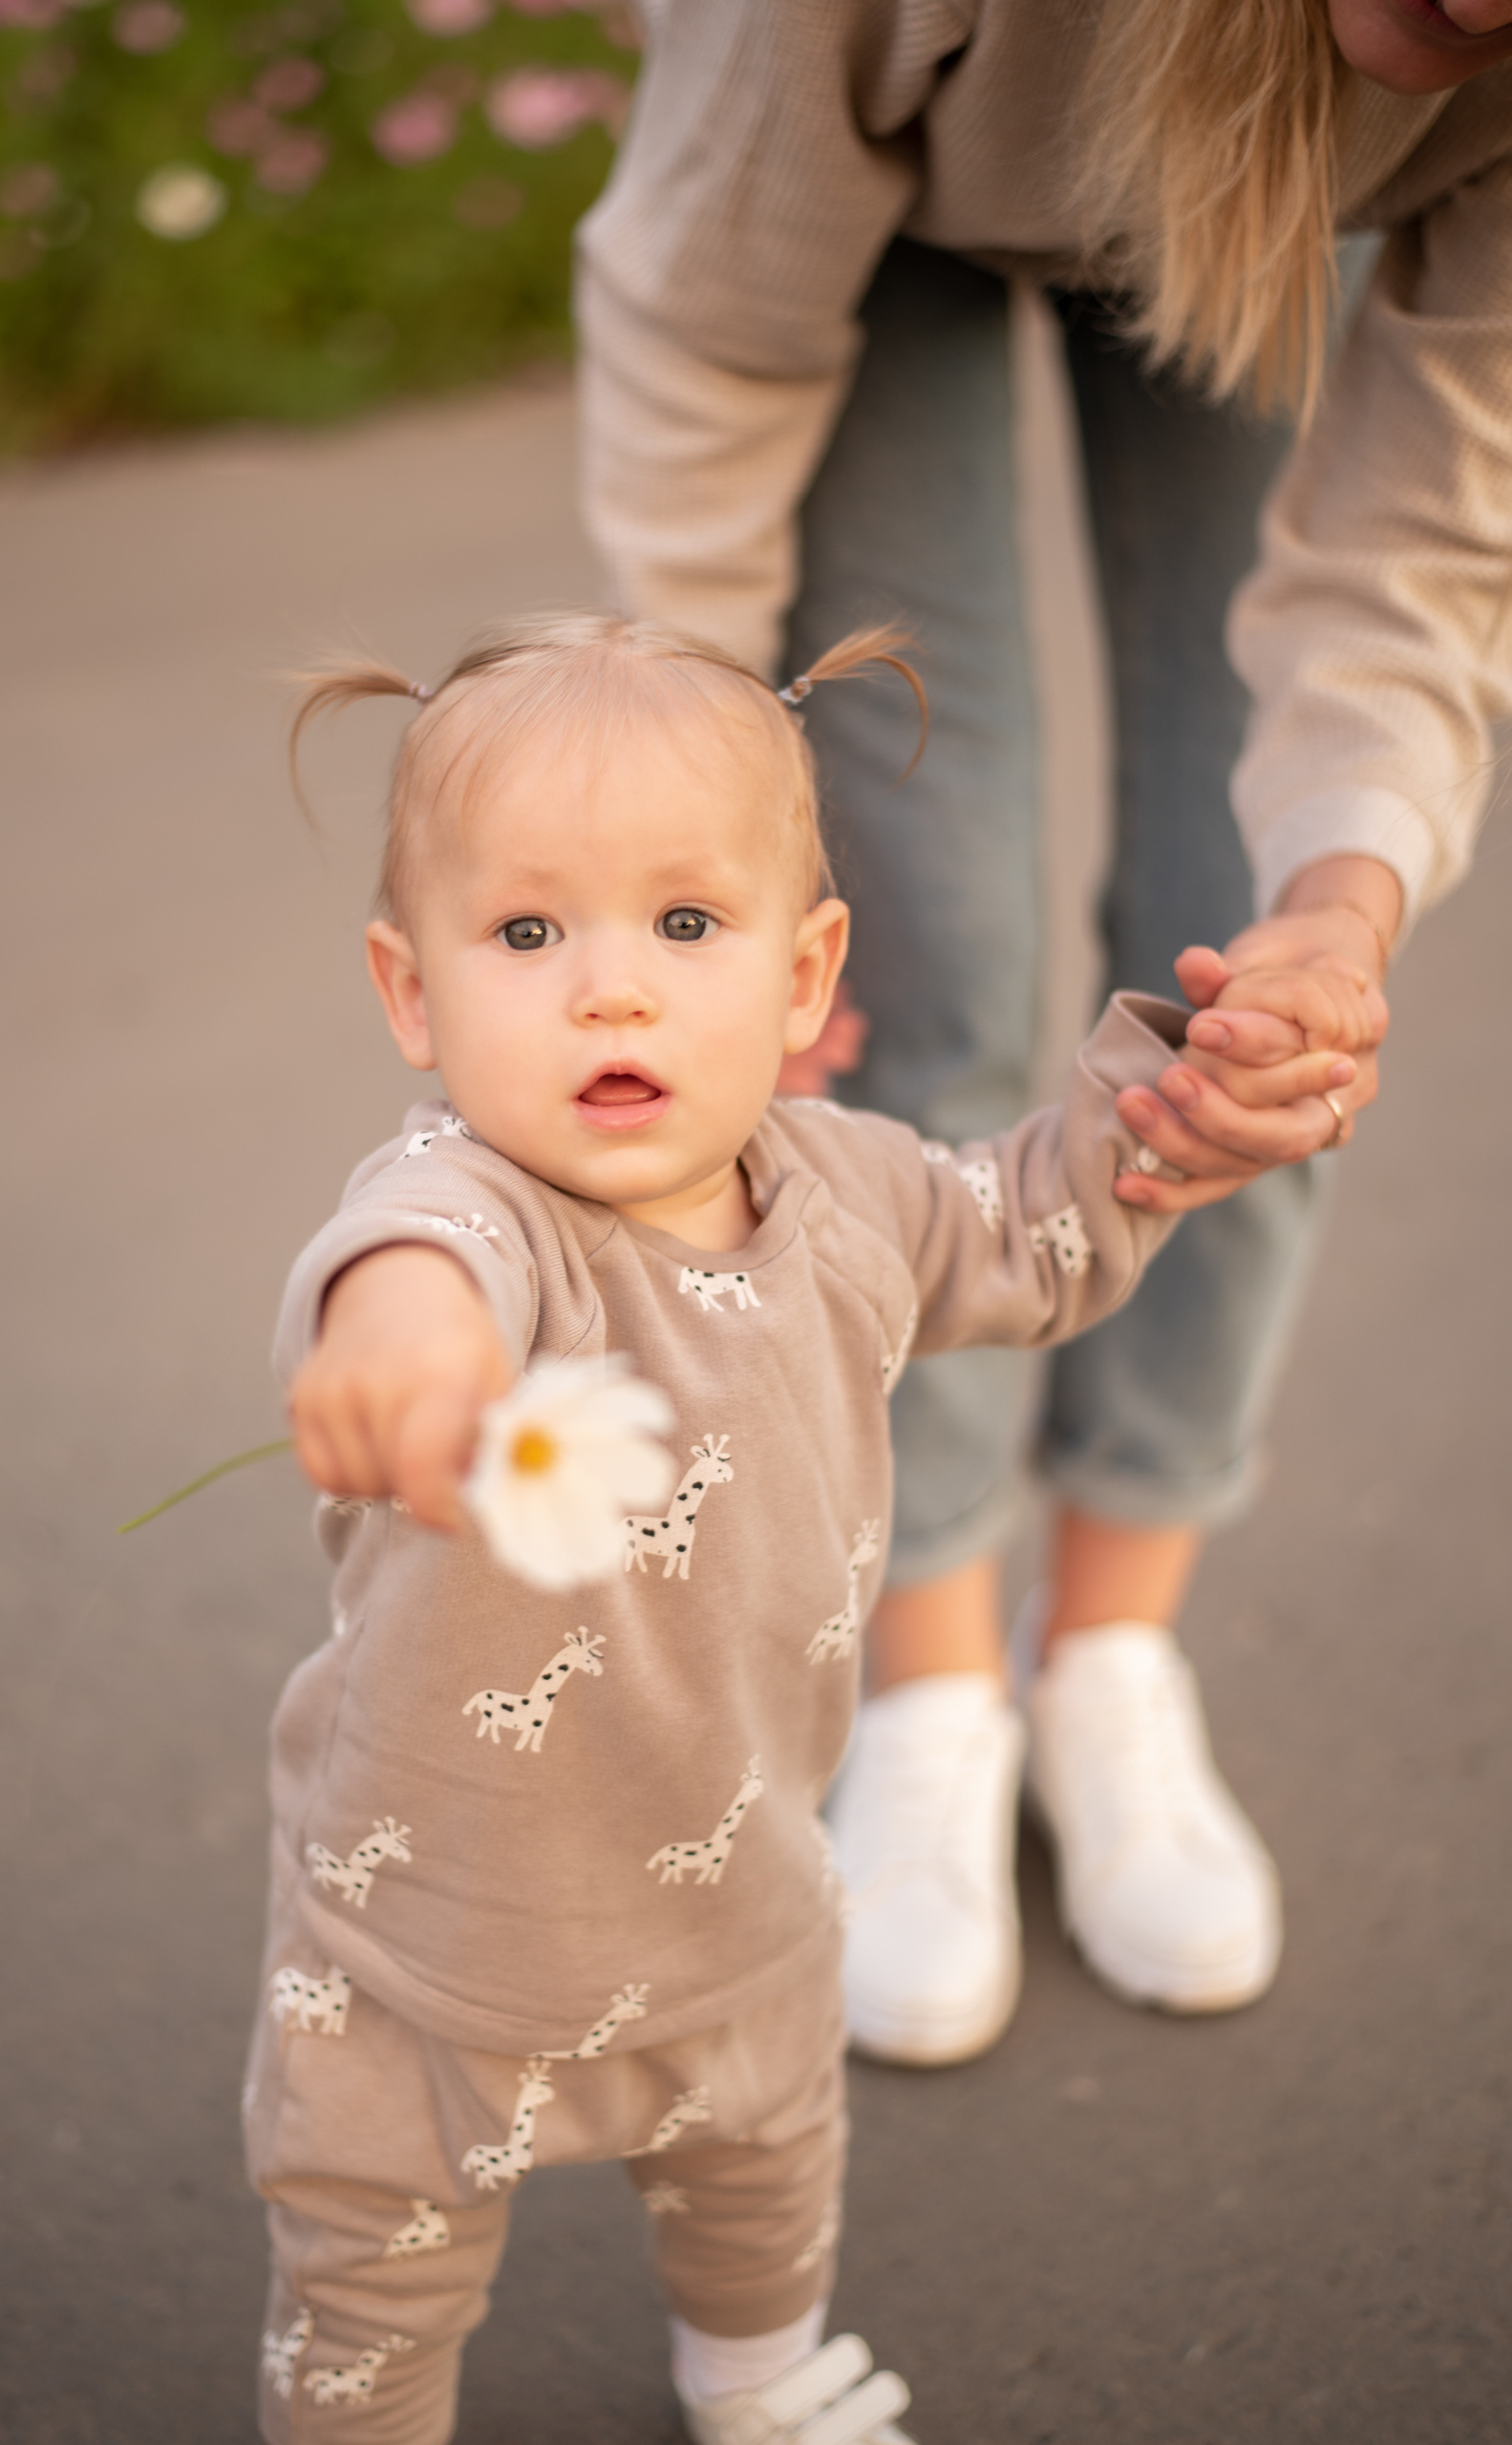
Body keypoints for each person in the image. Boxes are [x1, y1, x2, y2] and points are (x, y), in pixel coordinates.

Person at [246, 613, 1341, 2443]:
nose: (613, 988)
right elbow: (413, 1273)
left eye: (687, 925)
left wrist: (1172, 1108)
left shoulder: (853, 1192)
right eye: (528, 932)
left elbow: (1034, 1225)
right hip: (433, 1941)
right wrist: (407, 1347)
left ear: (805, 968)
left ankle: (753, 2375)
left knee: (759, 2179)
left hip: (737, 1887)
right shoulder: (466, 1213)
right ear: (411, 990)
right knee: (375, 2267)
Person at [574, 0, 1512, 2061]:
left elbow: (1419, 561)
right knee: (911, 935)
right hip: (874, 186)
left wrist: (1340, 910)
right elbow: (709, 334)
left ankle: (1108, 1662)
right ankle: (922, 1681)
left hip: (1278, 181)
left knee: (1243, 961)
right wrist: (694, 805)